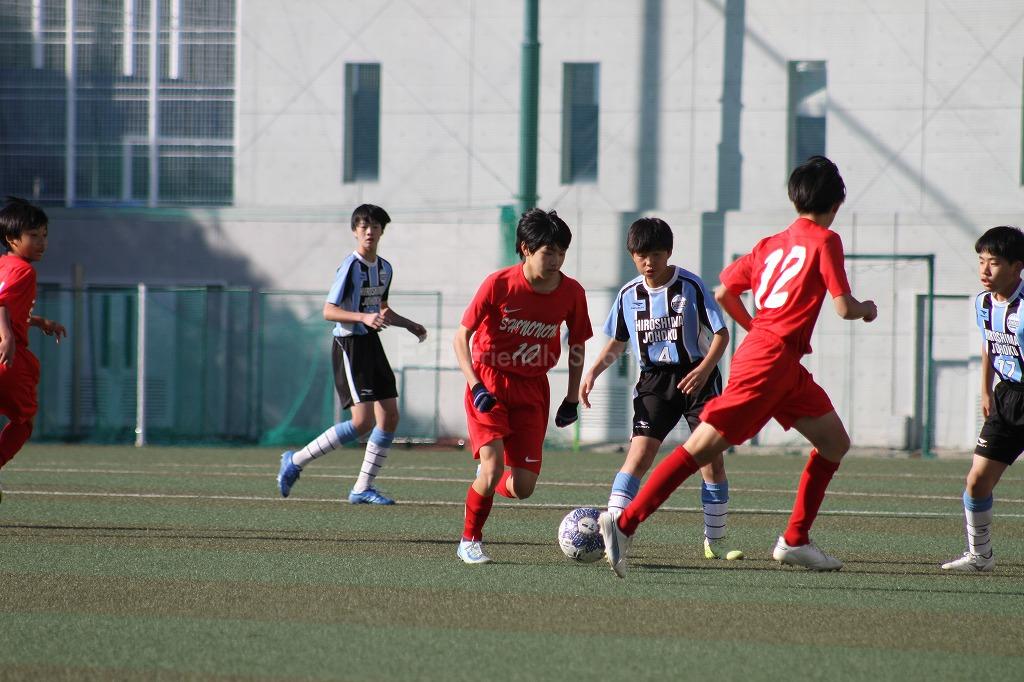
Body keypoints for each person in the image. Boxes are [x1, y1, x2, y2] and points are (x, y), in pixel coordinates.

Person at [599, 155, 878, 577]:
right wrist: (866, 308)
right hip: (769, 362)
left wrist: (756, 329)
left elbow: (725, 291)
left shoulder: (770, 245)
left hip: (779, 361)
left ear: (795, 198)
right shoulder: (826, 241)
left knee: (834, 442)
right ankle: (623, 524)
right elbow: (843, 307)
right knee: (701, 449)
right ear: (836, 203)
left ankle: (796, 540)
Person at [580, 217, 743, 561]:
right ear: (632, 256)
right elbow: (618, 342)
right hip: (654, 381)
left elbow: (721, 335)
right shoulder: (627, 295)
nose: (649, 262)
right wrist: (593, 371)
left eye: (655, 254)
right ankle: (616, 533)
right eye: (641, 255)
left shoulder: (691, 286)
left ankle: (715, 541)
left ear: (668, 252)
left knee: (711, 462)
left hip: (698, 379)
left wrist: (704, 369)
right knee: (639, 456)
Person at [453, 208, 593, 564]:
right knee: (493, 468)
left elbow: (578, 345)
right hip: (490, 383)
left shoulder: (572, 292)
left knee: (523, 487)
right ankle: (469, 540)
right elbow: (461, 337)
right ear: (526, 249)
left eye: (561, 252)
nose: (556, 260)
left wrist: (571, 398)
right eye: (548, 252)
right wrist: (475, 385)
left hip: (533, 388)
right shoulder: (498, 284)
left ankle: (488, 476)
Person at [276, 204, 427, 505]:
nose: (369, 231)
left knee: (390, 417)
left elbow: (381, 309)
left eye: (375, 226)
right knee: (362, 422)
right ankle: (296, 460)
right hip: (350, 345)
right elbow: (329, 311)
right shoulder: (350, 267)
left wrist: (409, 324)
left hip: (371, 343)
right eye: (363, 226)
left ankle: (362, 488)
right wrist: (363, 317)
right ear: (355, 231)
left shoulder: (384, 268)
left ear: (382, 231)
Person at [941, 225, 1024, 573]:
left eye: (994, 262)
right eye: (981, 261)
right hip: (1007, 399)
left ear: (1017, 266)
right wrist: (985, 389)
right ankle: (980, 556)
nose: (985, 270)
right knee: (977, 481)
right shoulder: (983, 303)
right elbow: (989, 343)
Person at [0, 197, 67, 502]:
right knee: (23, 422)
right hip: (8, 361)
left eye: (44, 235)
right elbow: (1, 304)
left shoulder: (4, 265)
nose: (42, 242)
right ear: (11, 238)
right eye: (33, 235)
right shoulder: (24, 271)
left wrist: (38, 321)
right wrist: (7, 337)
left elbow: (10, 308)